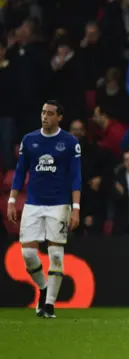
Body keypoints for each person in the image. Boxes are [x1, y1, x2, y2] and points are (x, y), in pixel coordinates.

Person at [6, 100, 81, 319]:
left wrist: (75, 208)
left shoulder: (70, 142)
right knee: (28, 254)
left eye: (49, 113)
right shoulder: (29, 140)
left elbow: (76, 177)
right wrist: (12, 200)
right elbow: (20, 172)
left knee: (56, 255)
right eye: (43, 112)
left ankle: (49, 305)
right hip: (33, 204)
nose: (44, 116)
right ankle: (44, 287)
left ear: (59, 117)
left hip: (59, 204)